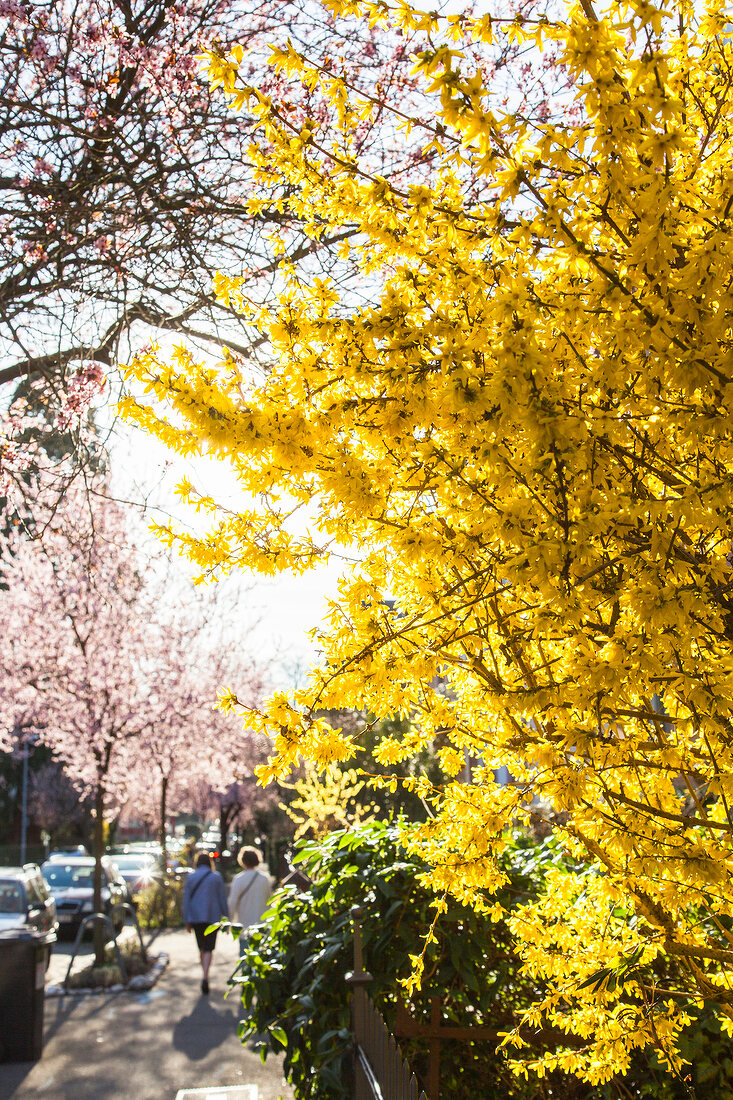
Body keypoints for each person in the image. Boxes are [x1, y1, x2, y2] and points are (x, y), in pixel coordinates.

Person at [182, 852, 228, 995]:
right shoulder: (216, 878)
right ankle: (205, 976)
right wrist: (226, 918)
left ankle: (204, 973)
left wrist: (187, 920)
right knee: (209, 948)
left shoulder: (191, 877)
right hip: (212, 918)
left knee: (201, 947)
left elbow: (186, 901)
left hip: (196, 917)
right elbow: (222, 899)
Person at [228, 846, 272, 954]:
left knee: (245, 958)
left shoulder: (239, 880)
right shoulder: (265, 879)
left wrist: (230, 920)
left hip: (244, 925)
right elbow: (269, 900)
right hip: (261, 924)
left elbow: (232, 902)